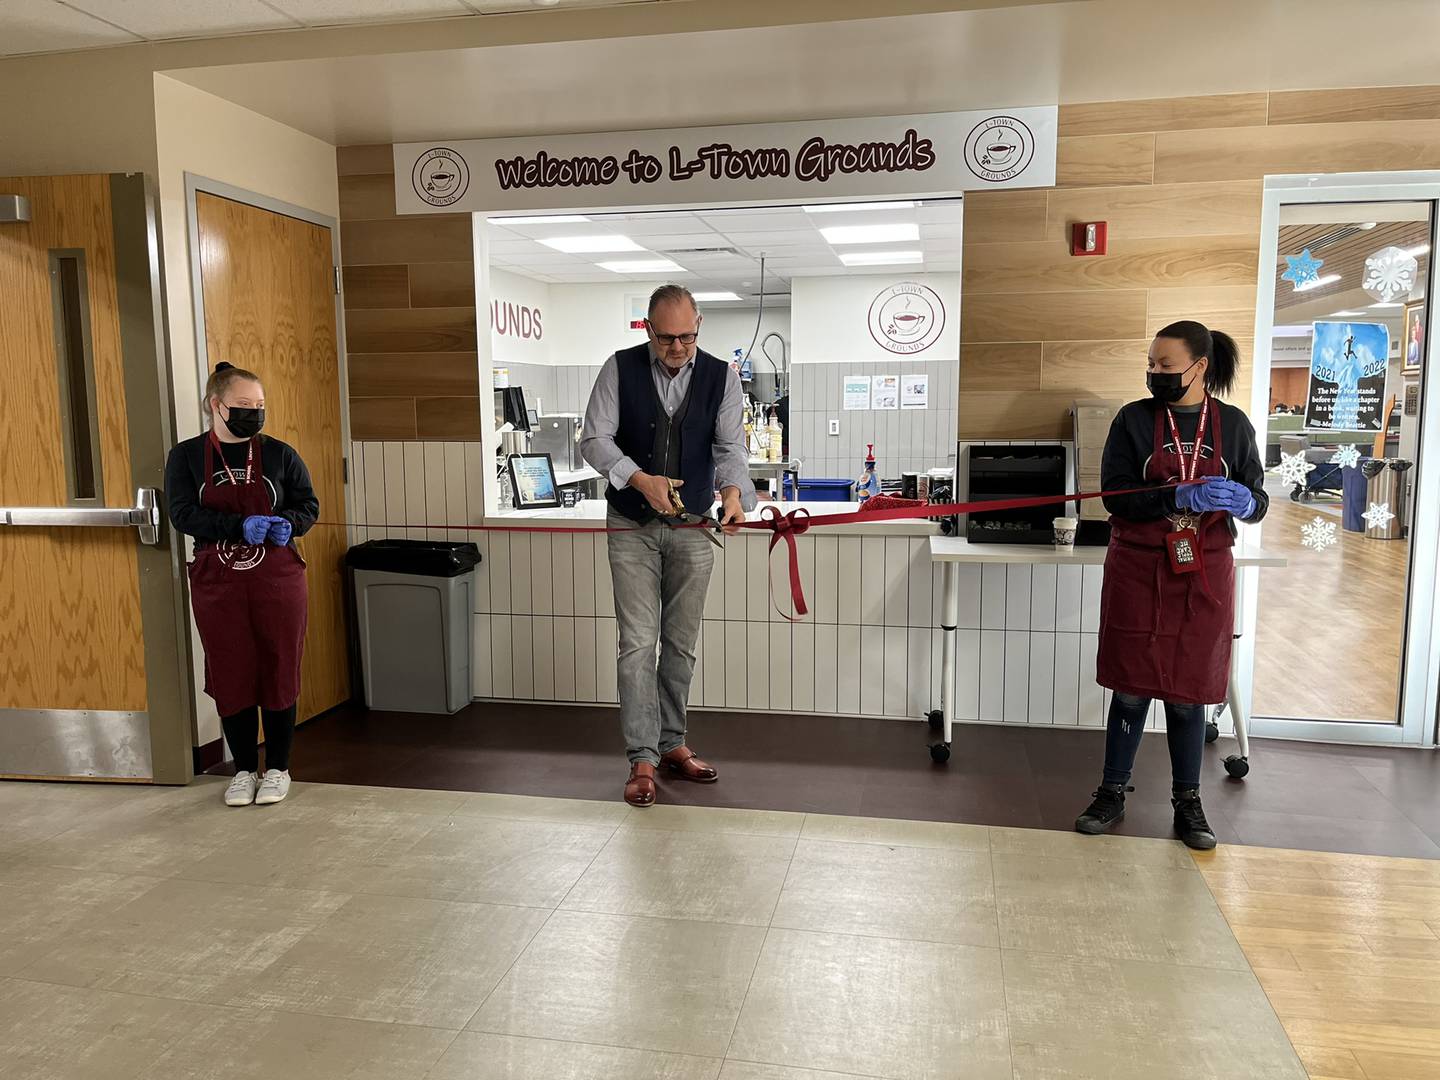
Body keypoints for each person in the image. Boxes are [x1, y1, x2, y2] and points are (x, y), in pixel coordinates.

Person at [1075, 321, 1267, 850]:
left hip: (1202, 573)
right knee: (1131, 688)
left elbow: (1258, 498)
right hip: (1138, 567)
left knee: (1189, 696)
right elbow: (1115, 496)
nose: (1155, 373)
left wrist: (1246, 504)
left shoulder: (1233, 425)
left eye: (1165, 365)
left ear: (1198, 368)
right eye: (1152, 364)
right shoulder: (1133, 420)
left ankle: (1189, 803)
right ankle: (1111, 792)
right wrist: (1175, 497)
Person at [580, 285, 756, 807]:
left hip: (695, 527)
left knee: (680, 644)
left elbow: (729, 448)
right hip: (631, 524)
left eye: (687, 336)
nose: (678, 347)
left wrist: (732, 493)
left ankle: (672, 743)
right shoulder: (619, 368)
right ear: (648, 329)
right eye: (666, 338)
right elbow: (594, 439)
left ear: (698, 325)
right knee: (637, 644)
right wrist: (638, 479)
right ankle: (641, 759)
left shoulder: (722, 376)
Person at [165, 362, 318, 807]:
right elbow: (182, 514)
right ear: (216, 405)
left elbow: (308, 504)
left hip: (277, 581)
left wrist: (289, 523)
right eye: (244, 406)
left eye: (260, 406)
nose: (254, 414)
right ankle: (243, 770)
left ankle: (279, 768)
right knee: (231, 670)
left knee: (278, 664)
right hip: (219, 582)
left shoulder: (280, 454)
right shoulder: (187, 457)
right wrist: (236, 525)